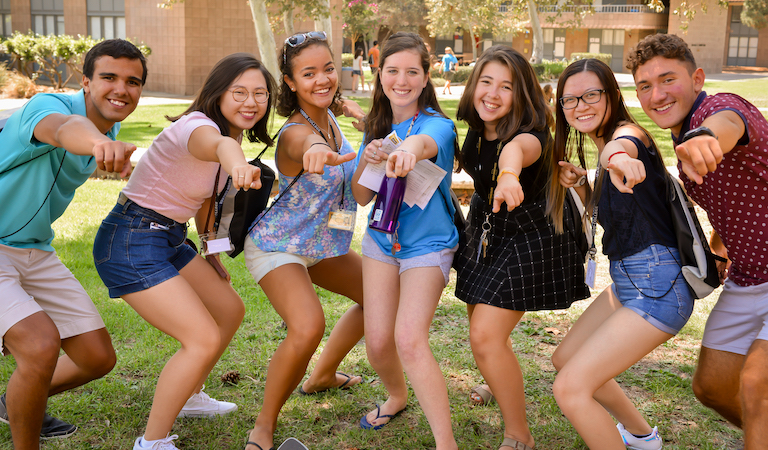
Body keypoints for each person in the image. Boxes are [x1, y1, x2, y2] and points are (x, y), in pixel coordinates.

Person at [93, 53, 272, 450]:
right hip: (130, 238)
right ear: (217, 93)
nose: (251, 102)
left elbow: (207, 203)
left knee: (229, 310)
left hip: (169, 236)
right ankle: (152, 443)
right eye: (239, 92)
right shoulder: (198, 127)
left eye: (260, 93)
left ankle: (190, 396)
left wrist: (213, 252)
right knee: (203, 337)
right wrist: (238, 163)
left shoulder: (233, 137)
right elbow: (219, 146)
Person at [0, 39, 145, 450]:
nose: (121, 89)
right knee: (41, 345)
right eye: (109, 77)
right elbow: (64, 131)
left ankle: (16, 399)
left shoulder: (111, 127)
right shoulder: (47, 106)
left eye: (133, 82)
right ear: (85, 81)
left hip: (35, 249)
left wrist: (105, 141)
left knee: (97, 358)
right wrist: (98, 144)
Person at [627, 34, 768, 448]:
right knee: (712, 387)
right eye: (644, 86)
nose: (657, 94)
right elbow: (734, 198)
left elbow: (727, 124)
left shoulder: (716, 109)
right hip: (749, 276)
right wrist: (720, 250)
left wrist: (708, 136)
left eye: (667, 79)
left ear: (697, 78)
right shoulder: (680, 133)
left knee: (756, 383)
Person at [550, 58, 695, 450]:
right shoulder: (602, 156)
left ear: (612, 95)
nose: (580, 106)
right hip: (628, 283)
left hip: (658, 288)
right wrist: (582, 187)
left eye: (591, 95)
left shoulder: (627, 136)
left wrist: (616, 158)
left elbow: (620, 148)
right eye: (570, 100)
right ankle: (642, 436)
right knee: (565, 359)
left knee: (570, 389)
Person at [453, 45, 589, 450]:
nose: (492, 93)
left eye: (506, 87)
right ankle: (497, 379)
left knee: (484, 335)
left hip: (532, 236)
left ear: (522, 94)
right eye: (486, 81)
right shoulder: (479, 129)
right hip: (488, 227)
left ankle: (519, 435)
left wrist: (509, 175)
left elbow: (516, 154)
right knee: (484, 326)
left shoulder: (528, 136)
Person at [244, 31, 363, 450]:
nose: (322, 79)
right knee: (308, 325)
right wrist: (314, 150)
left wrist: (367, 127)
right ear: (291, 83)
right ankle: (264, 425)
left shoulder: (331, 118)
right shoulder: (299, 131)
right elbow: (302, 144)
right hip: (278, 246)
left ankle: (324, 375)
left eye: (328, 68)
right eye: (308, 73)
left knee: (385, 294)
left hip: (320, 246)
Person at [351, 32, 459, 450]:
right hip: (381, 240)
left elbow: (425, 143)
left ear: (426, 75)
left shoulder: (438, 124)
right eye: (392, 71)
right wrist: (371, 156)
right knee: (378, 344)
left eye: (412, 71)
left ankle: (445, 443)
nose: (401, 80)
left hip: (427, 244)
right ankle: (397, 396)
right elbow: (361, 196)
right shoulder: (377, 128)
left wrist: (408, 152)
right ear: (380, 75)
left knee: (409, 340)